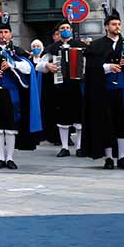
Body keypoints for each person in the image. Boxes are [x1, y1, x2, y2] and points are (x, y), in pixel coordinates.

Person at [0, 18, 41, 171]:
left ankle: (10, 158)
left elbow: (29, 69)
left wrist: (13, 64)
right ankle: (0, 158)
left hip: (13, 95)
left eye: (6, 32)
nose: (3, 35)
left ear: (11, 34)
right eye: (0, 32)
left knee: (11, 126)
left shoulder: (17, 51)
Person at [82, 11, 124, 170]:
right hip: (104, 91)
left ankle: (122, 157)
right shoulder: (96, 46)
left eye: (118, 24)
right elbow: (90, 68)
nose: (117, 27)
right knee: (106, 124)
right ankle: (109, 158)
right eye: (113, 24)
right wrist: (107, 67)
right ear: (106, 27)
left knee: (123, 124)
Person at [39, 23, 87, 157]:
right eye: (62, 29)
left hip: (77, 85)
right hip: (60, 85)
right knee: (62, 116)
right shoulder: (52, 48)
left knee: (79, 117)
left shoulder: (81, 45)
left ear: (71, 30)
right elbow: (39, 64)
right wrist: (48, 65)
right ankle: (64, 147)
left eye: (67, 28)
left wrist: (84, 70)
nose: (65, 31)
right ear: (58, 32)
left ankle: (79, 147)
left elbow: (88, 63)